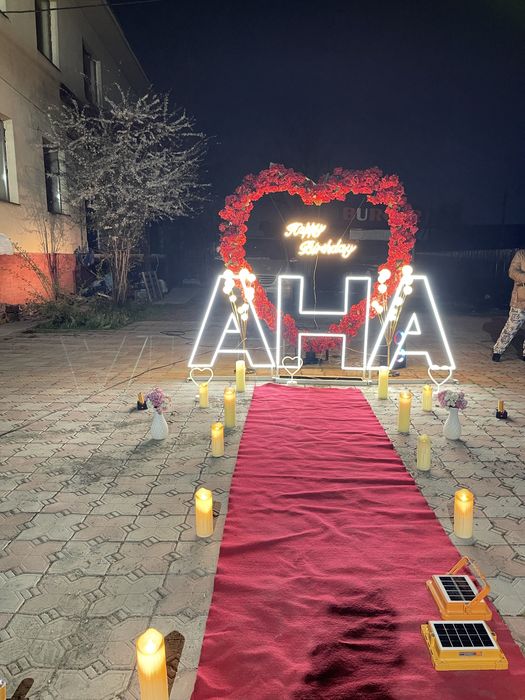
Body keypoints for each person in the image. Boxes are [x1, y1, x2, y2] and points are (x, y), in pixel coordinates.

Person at [492, 249, 525, 362]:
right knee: (511, 327)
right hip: (520, 299)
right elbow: (512, 271)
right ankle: (498, 350)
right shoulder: (521, 254)